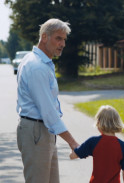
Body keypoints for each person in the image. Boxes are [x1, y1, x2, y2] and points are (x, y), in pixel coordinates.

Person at [16, 18, 79, 183]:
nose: (63, 44)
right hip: (36, 131)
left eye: (64, 39)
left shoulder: (41, 63)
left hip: (43, 131)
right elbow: (49, 112)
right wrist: (73, 143)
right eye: (58, 38)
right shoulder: (36, 66)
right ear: (44, 37)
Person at [70, 105, 124, 183]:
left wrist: (75, 148)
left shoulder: (93, 142)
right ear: (117, 122)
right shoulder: (123, 146)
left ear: (99, 123)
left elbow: (73, 156)